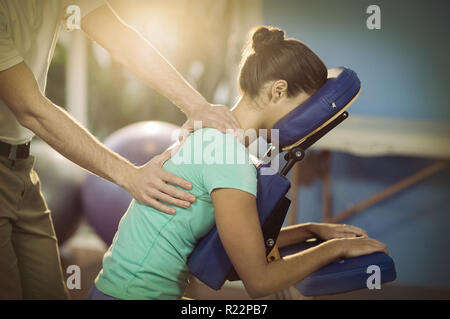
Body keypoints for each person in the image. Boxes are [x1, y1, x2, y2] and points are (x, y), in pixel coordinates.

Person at [88, 26, 389, 300]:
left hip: (116, 290)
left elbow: (236, 243)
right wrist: (337, 248)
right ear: (279, 90)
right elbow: (259, 280)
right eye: (305, 106)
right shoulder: (231, 160)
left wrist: (312, 230)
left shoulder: (210, 138)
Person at [0, 0, 240, 300]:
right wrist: (129, 176)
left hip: (21, 165)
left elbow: (122, 40)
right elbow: (30, 108)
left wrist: (197, 106)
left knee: (49, 291)